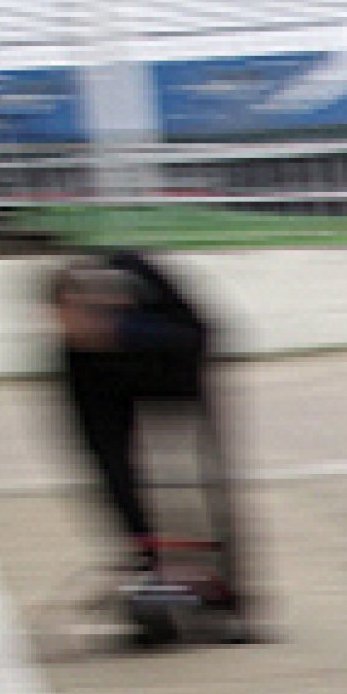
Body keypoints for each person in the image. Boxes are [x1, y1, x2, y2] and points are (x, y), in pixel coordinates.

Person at [50, 249, 248, 626]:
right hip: (103, 381)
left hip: (171, 365)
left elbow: (201, 339)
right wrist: (141, 549)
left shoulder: (164, 312)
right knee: (117, 481)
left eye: (90, 321)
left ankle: (224, 598)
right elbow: (104, 458)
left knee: (198, 484)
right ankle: (154, 596)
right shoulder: (74, 353)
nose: (81, 330)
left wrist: (119, 333)